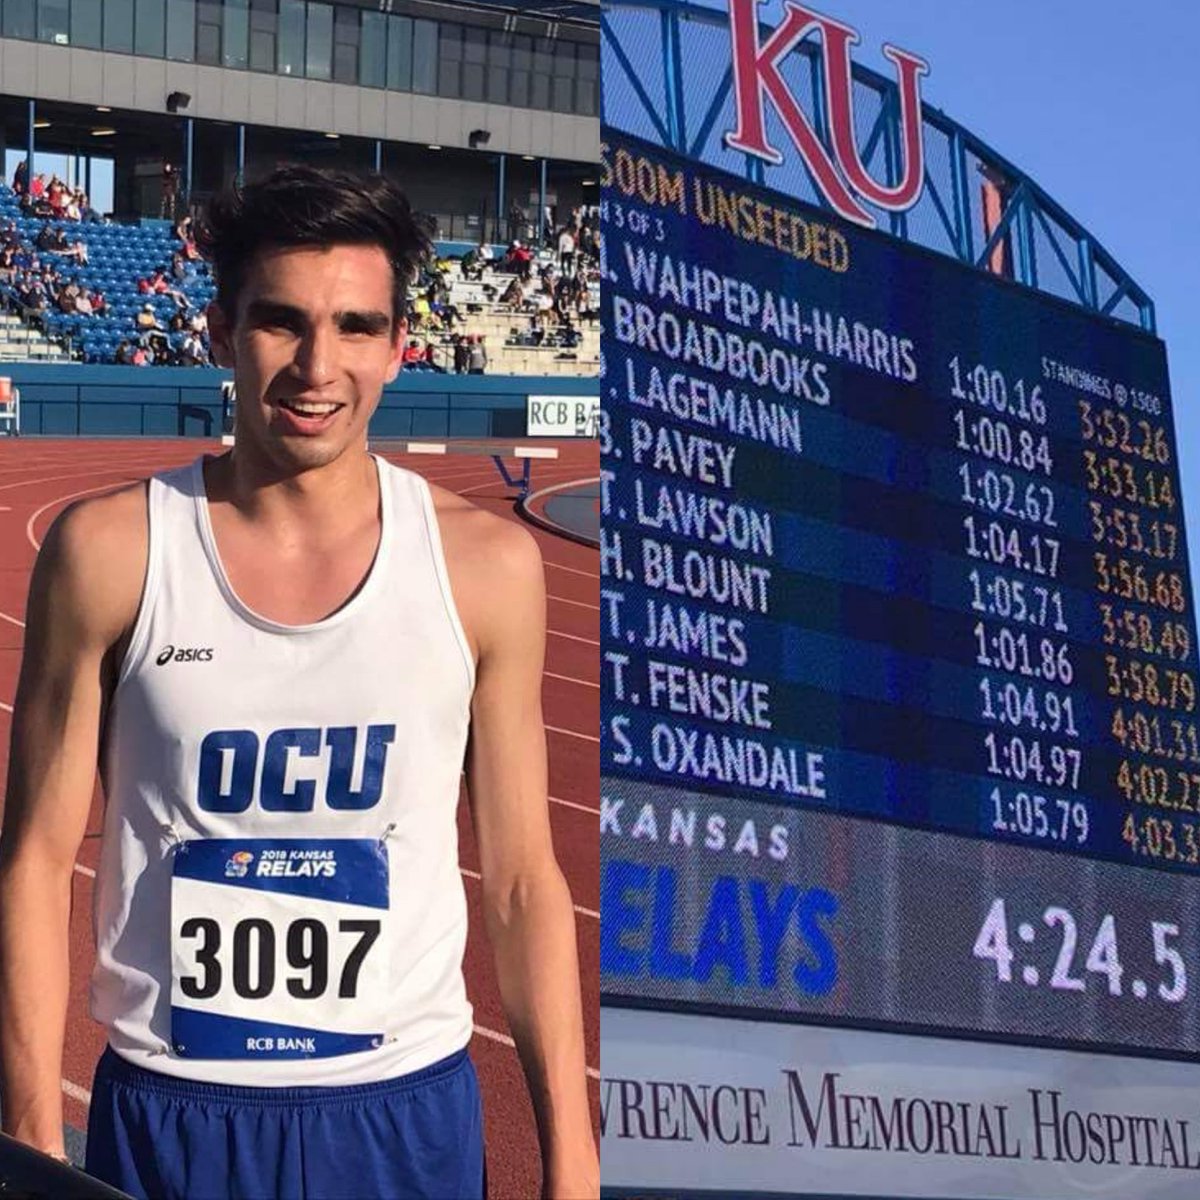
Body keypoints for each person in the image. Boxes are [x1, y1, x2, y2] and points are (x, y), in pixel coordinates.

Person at [0, 164, 597, 1200]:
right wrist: (29, 1139)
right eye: (282, 322)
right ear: (222, 331)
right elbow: (38, 860)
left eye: (357, 327)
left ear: (400, 346)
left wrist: (574, 1169)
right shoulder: (109, 553)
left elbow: (520, 882)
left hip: (401, 1110)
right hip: (171, 1109)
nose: (319, 367)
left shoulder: (488, 568)